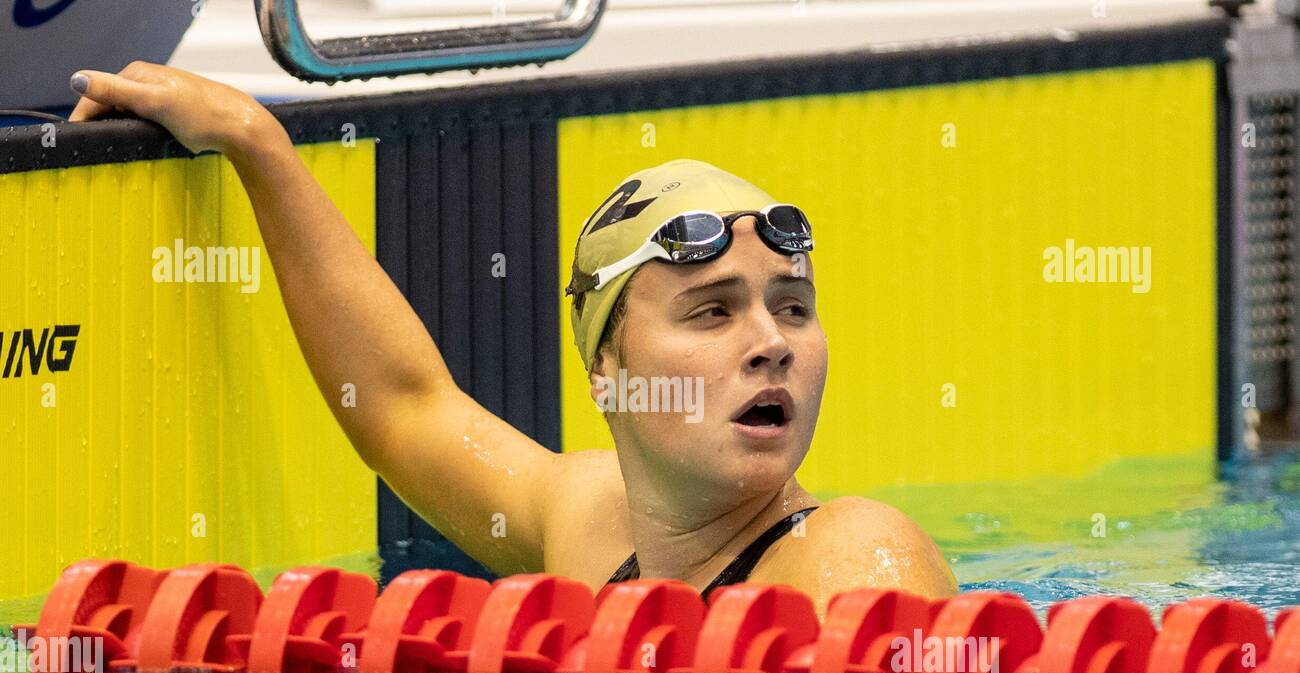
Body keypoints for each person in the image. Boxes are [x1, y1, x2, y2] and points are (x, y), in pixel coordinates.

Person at [67, 62, 959, 613]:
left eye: (793, 307)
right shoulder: (592, 525)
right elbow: (401, 407)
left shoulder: (850, 557)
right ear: (606, 370)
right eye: (713, 310)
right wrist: (255, 142)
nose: (772, 342)